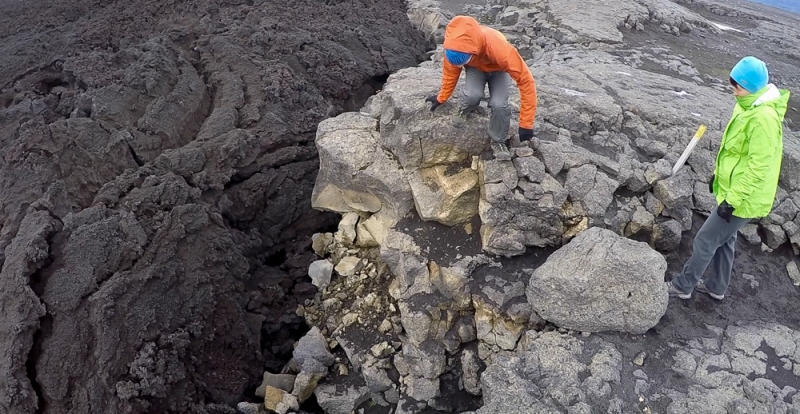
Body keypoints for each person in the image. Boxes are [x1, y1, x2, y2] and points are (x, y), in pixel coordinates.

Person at [667, 56, 790, 300]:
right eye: (732, 84)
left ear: (752, 87)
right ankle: (716, 287)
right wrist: (720, 175)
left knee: (705, 239)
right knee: (724, 239)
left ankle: (683, 286)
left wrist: (731, 200)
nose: (733, 90)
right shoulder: (747, 106)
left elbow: (759, 168)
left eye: (738, 86)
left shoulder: (762, 118)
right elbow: (736, 153)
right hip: (736, 190)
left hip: (744, 198)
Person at [425, 15, 538, 161]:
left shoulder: (500, 49)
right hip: (476, 68)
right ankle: (464, 109)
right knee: (472, 95)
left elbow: (526, 81)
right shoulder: (453, 48)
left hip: (499, 70)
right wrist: (441, 97)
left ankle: (498, 141)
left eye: (463, 63)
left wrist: (526, 124)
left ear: (473, 52)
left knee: (499, 105)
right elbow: (450, 75)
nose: (459, 67)